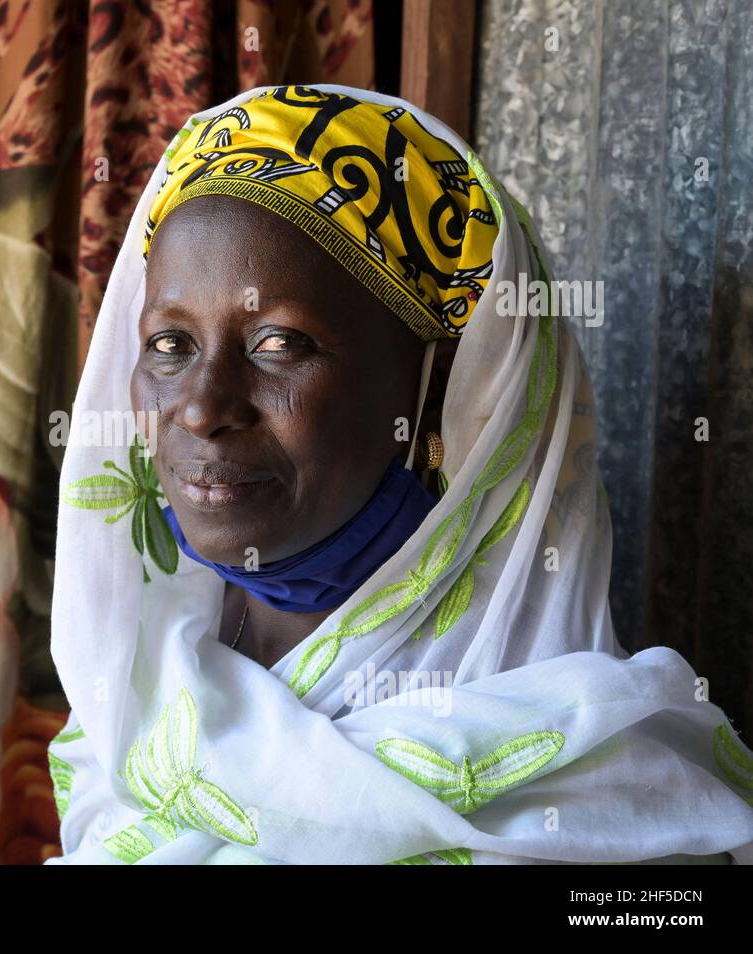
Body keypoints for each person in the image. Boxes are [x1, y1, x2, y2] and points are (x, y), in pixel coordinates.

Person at [44, 84, 753, 864]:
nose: (202, 406)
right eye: (170, 345)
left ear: (441, 384)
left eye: (279, 344)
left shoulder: (613, 807)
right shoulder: (129, 693)